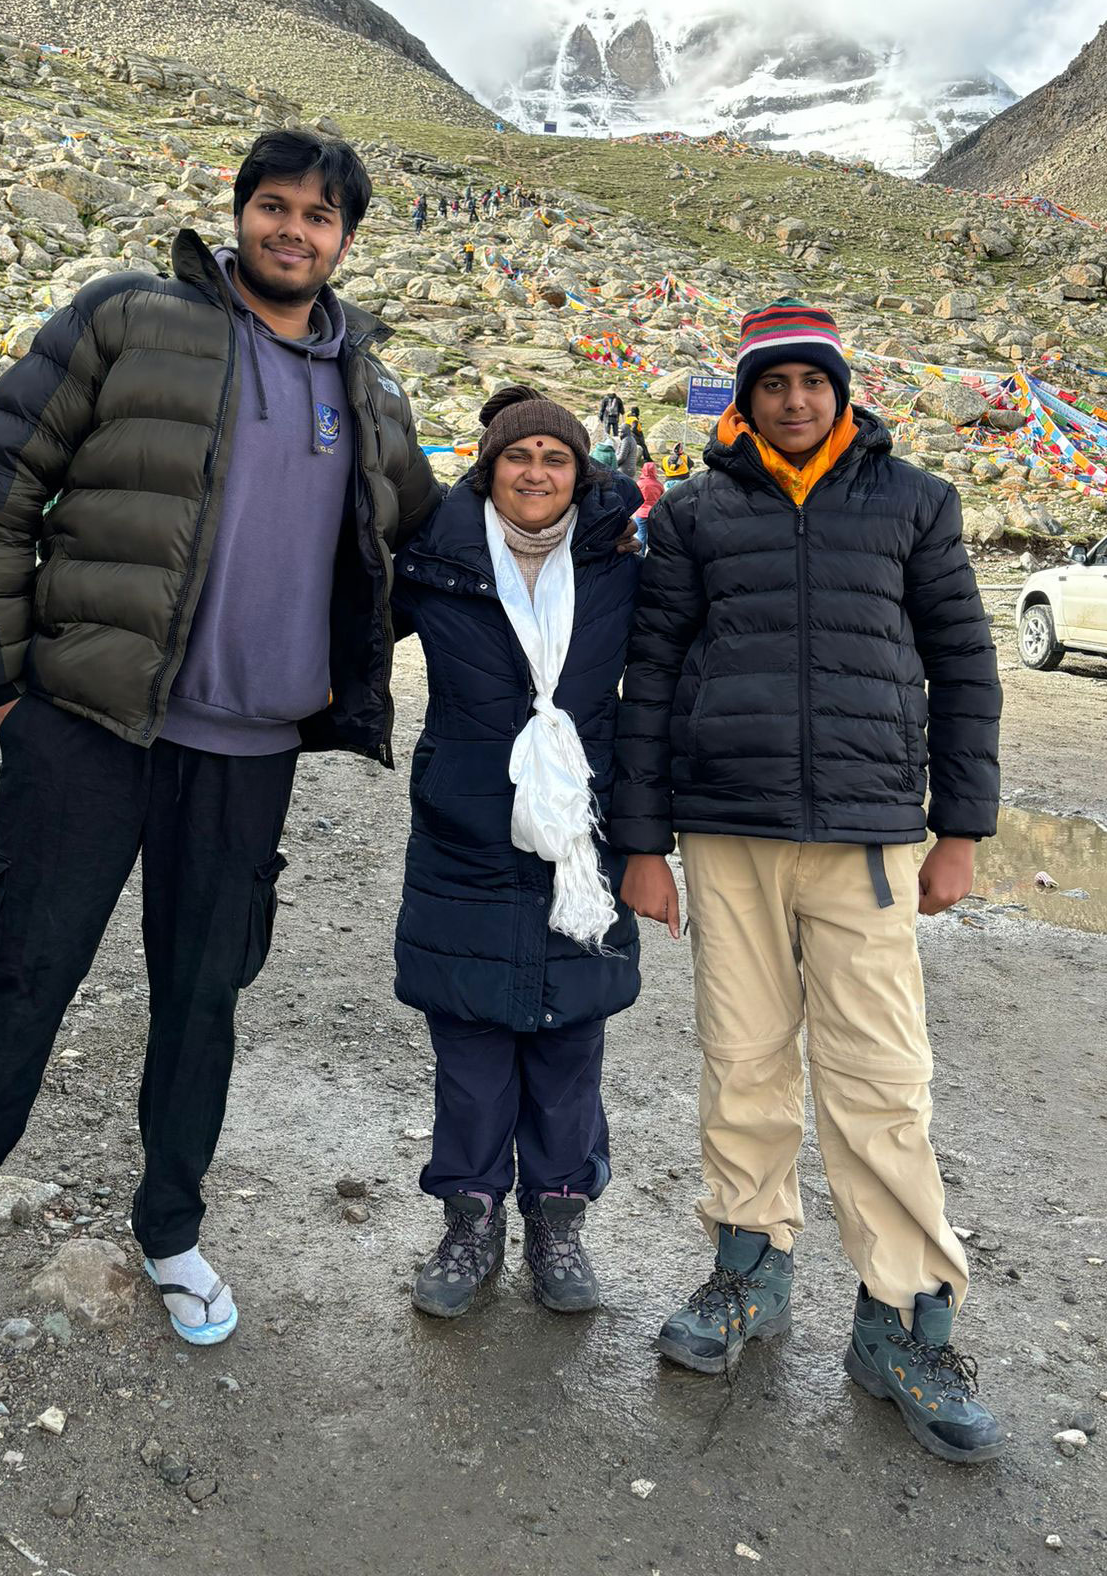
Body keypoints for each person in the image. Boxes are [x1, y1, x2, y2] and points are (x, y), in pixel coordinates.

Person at [0, 129, 439, 1370]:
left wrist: (584, 515)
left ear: (347, 239)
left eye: (320, 216)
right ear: (237, 217)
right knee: (21, 965)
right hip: (88, 728)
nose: (295, 230)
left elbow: (421, 549)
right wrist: (5, 685)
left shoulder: (371, 390)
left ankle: (170, 1223)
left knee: (204, 995)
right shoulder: (130, 319)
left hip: (249, 752)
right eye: (273, 206)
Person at [612, 303, 1003, 1465]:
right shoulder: (690, 513)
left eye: (811, 381)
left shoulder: (914, 503)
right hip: (726, 830)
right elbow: (653, 668)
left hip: (871, 835)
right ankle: (748, 1271)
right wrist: (642, 840)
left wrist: (962, 829)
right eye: (772, 382)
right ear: (745, 395)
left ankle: (903, 1317)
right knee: (742, 1058)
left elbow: (965, 663)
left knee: (882, 1074)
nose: (793, 400)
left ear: (843, 389)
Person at [392, 387, 643, 1318]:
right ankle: (469, 1217)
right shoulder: (437, 562)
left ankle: (559, 1217)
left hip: (584, 832)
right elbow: (339, 615)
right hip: (466, 830)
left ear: (581, 474)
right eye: (518, 456)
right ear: (489, 468)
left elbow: (660, 683)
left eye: (556, 458)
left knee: (572, 1039)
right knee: (468, 1041)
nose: (536, 473)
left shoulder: (620, 566)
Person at [634, 459, 664, 550]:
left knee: (641, 536)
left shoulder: (639, 483)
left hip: (641, 513)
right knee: (654, 537)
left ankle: (640, 555)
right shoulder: (659, 484)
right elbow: (662, 498)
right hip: (654, 514)